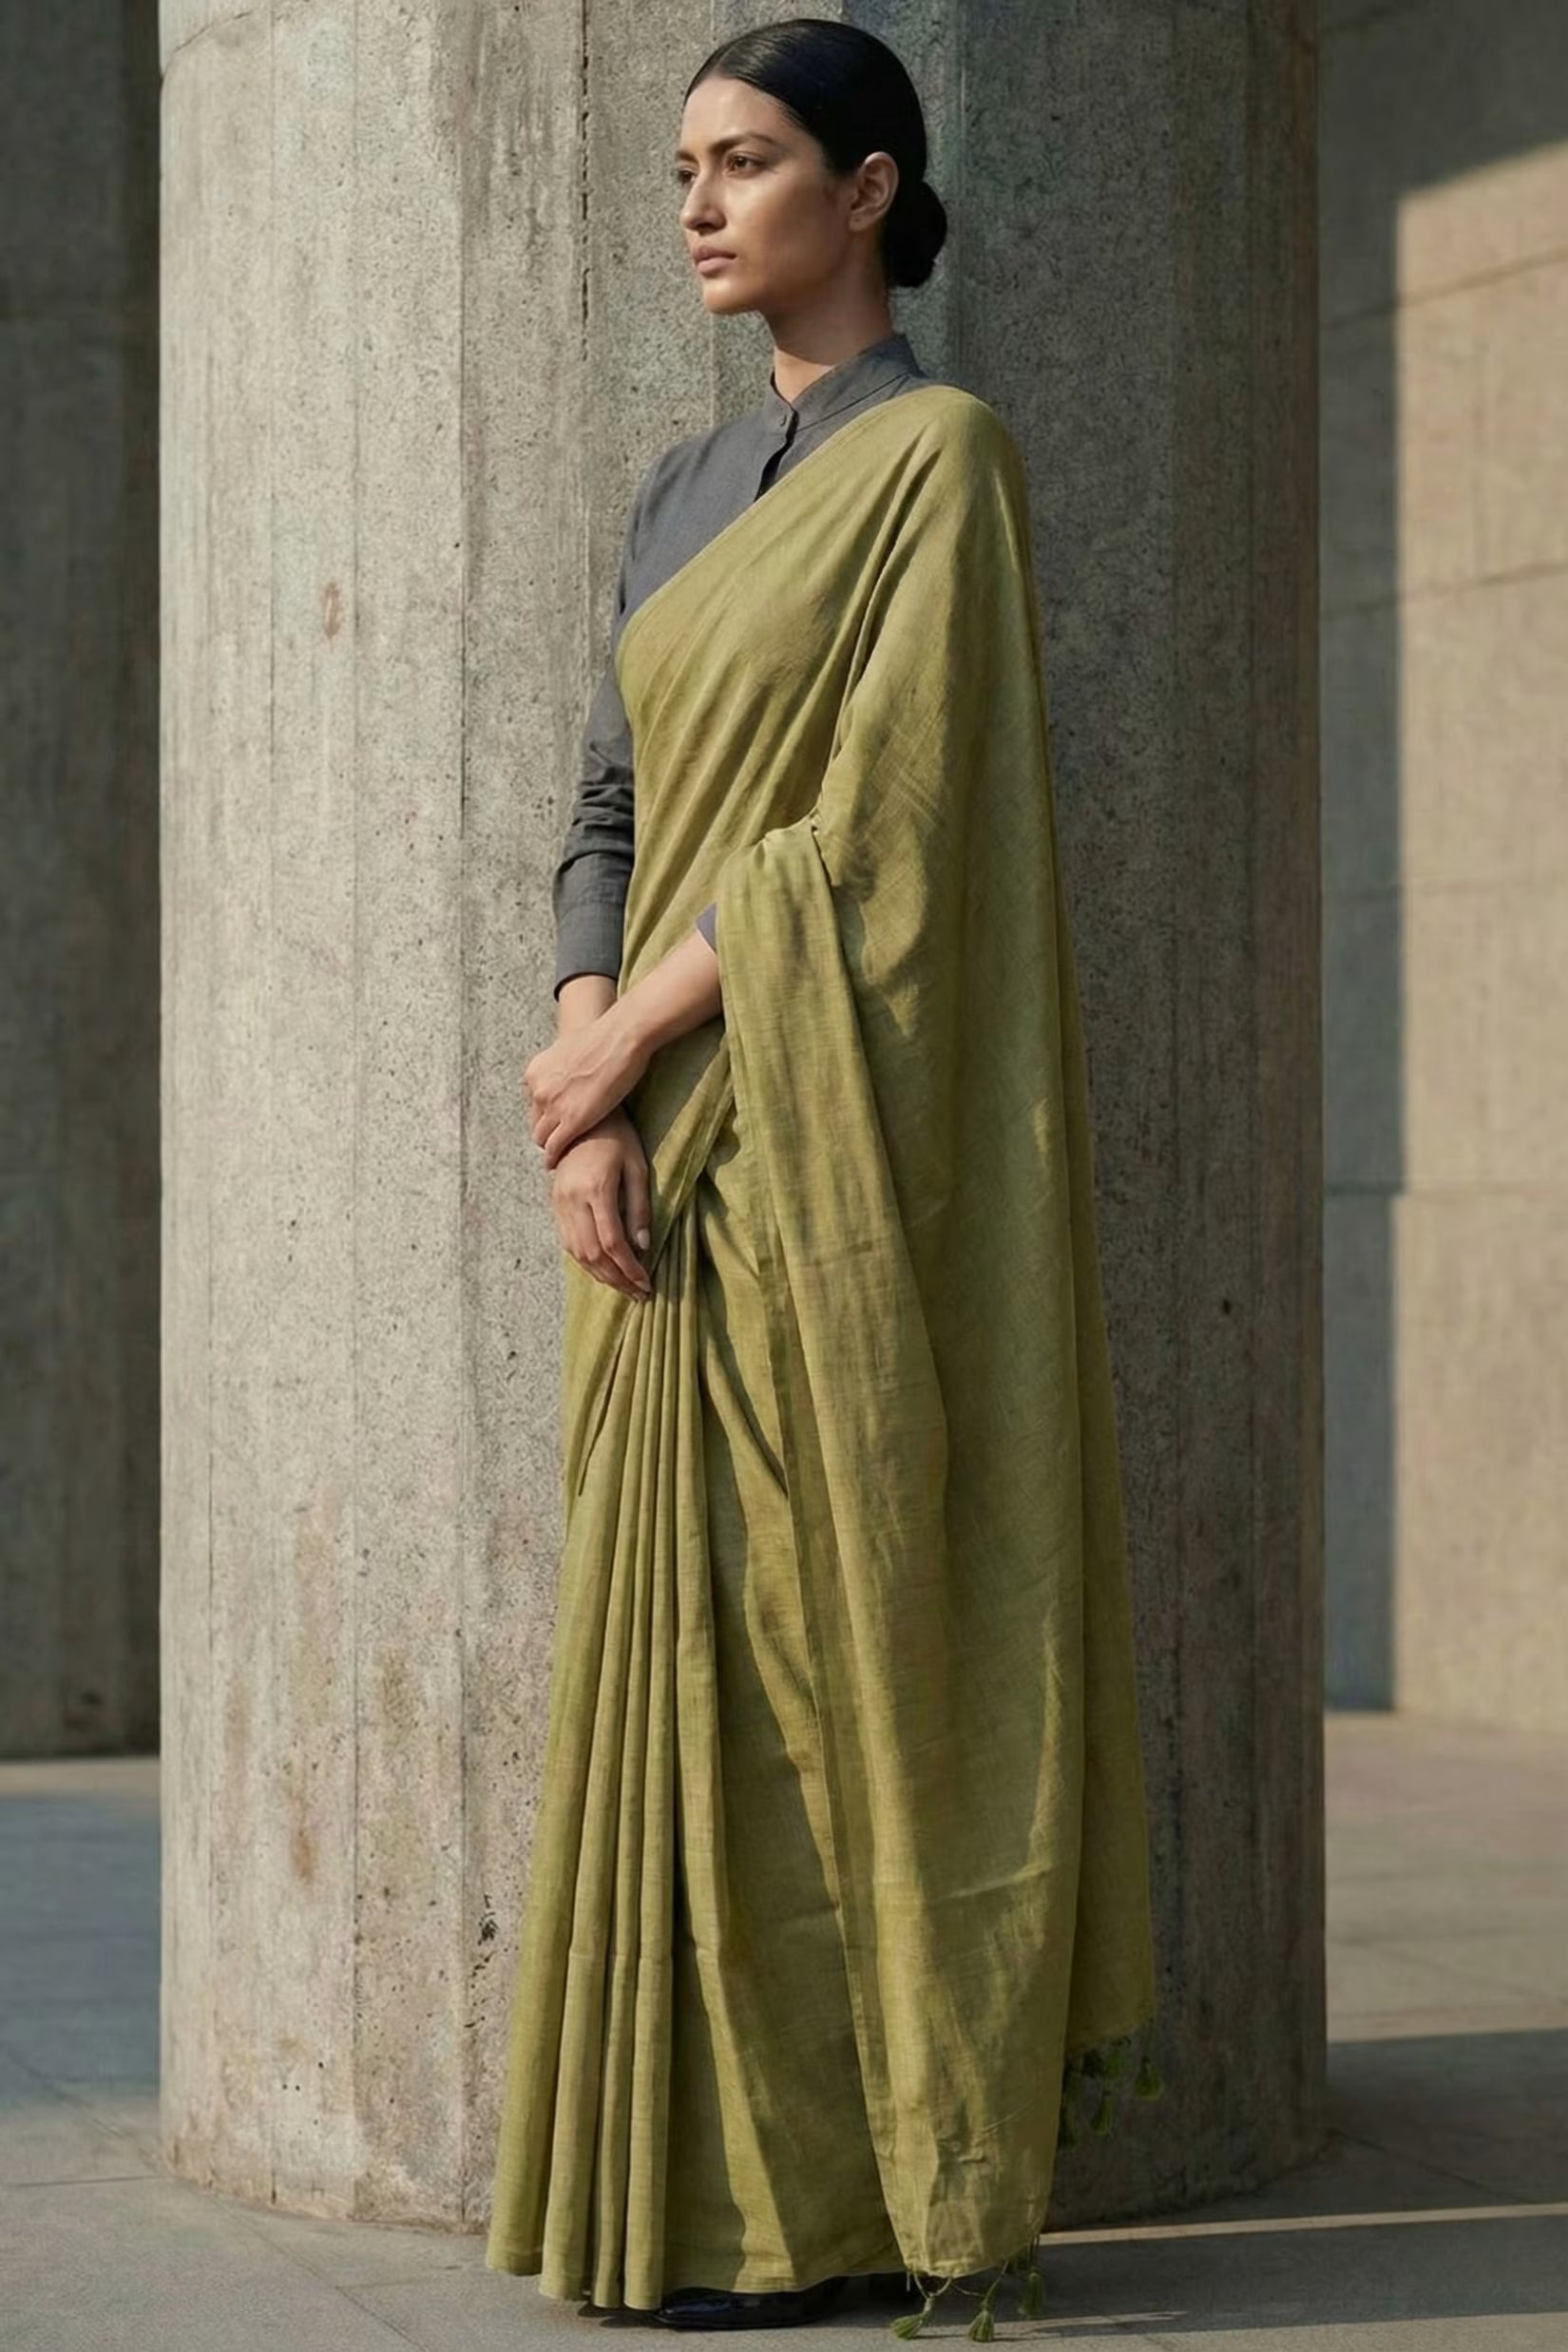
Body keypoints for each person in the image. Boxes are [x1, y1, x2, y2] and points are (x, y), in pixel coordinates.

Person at [486, 17, 1161, 2337]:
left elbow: (881, 842)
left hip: (816, 1146)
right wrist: (579, 1047)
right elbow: (604, 801)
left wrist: (639, 1046)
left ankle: (859, 2188)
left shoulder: (942, 460)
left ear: (867, 192)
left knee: (818, 1652)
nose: (696, 204)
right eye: (684, 164)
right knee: (673, 1661)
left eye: (746, 161)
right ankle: (683, 2191)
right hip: (650, 1150)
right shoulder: (677, 495)